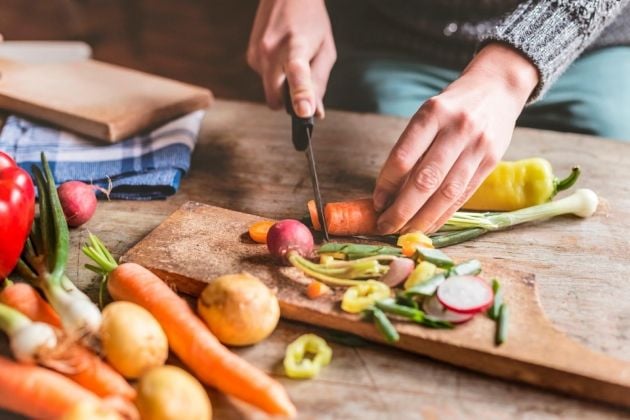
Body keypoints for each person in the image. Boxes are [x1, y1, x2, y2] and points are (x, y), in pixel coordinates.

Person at [246, 0, 630, 234]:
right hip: (394, 38)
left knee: (612, 147)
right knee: (396, 174)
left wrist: (508, 74)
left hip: (580, 45)